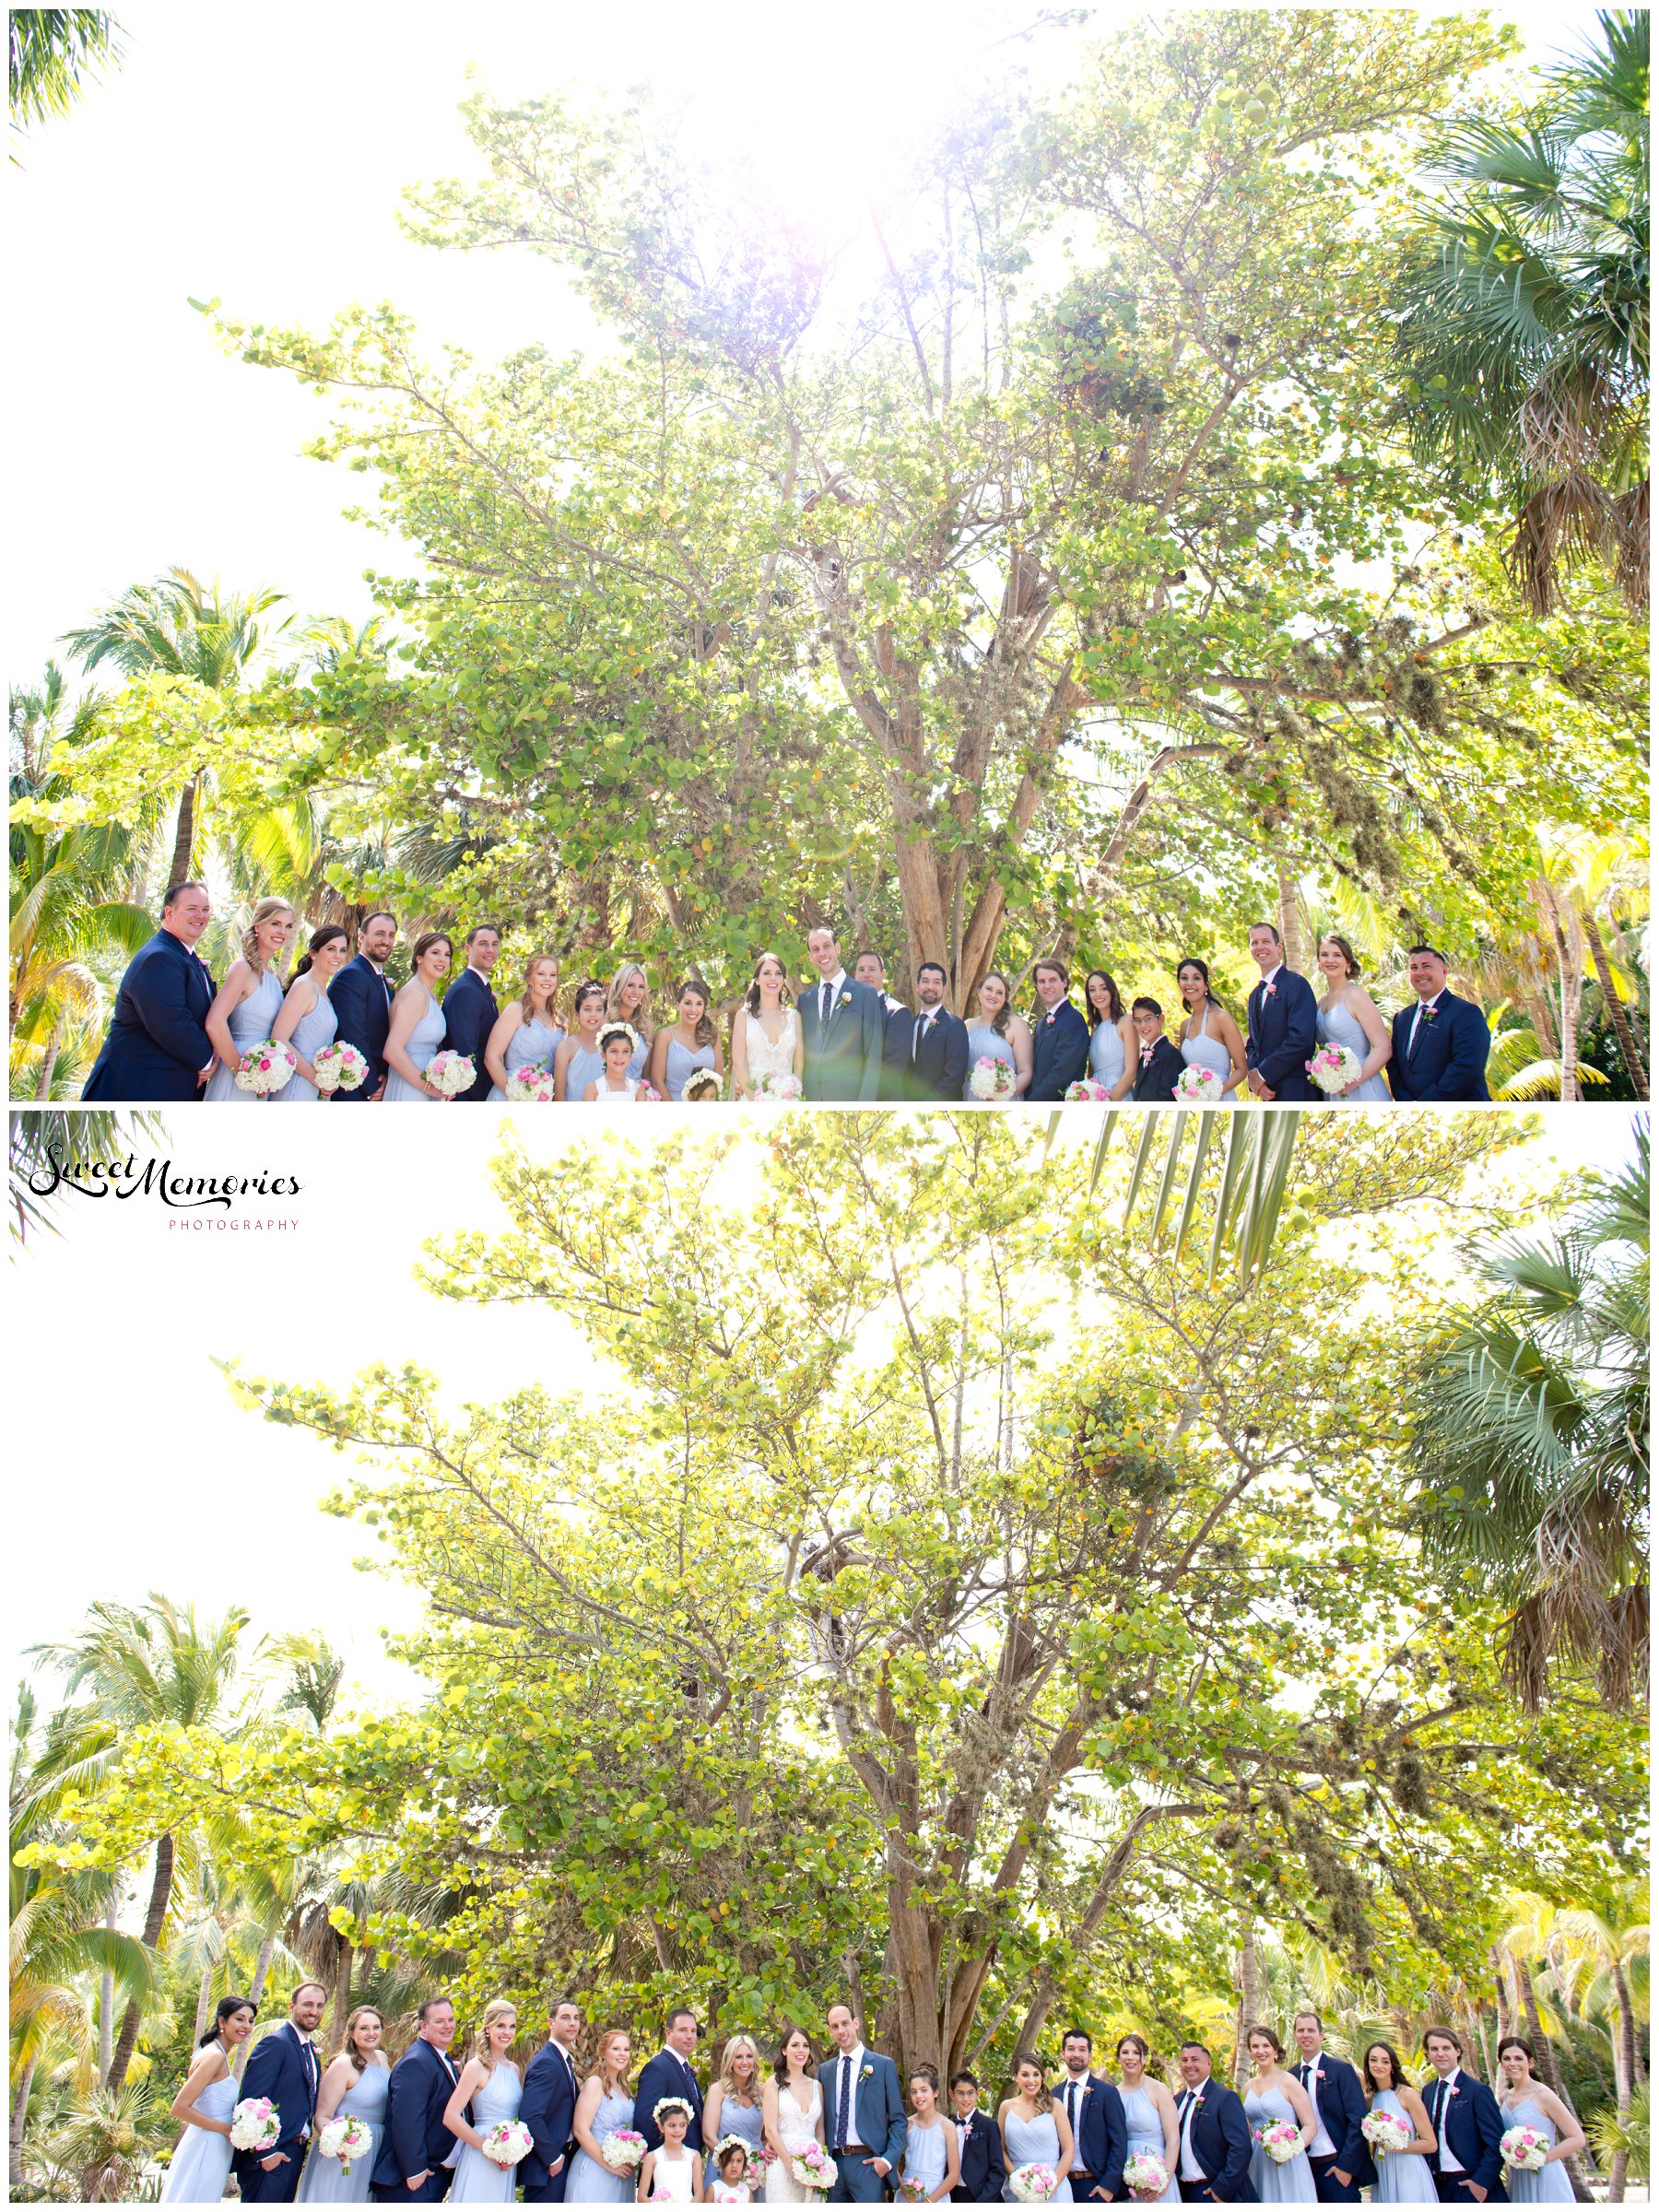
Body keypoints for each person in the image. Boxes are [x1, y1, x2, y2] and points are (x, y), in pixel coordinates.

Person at [82, 879, 217, 1102]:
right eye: (191, 909)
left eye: (205, 909)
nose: (200, 915)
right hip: (136, 1088)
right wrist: (209, 1059)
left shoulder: (184, 956)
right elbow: (172, 1022)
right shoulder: (159, 957)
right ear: (169, 913)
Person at [233, 1981, 326, 2202]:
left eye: (320, 2006)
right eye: (308, 2004)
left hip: (293, 2154)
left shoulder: (311, 2052)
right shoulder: (275, 2043)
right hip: (270, 2158)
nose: (314, 2011)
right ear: (291, 2006)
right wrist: (266, 2154)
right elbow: (251, 2103)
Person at [161, 1993, 258, 2204]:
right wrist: (225, 2129)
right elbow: (179, 2107)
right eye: (239, 2019)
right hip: (206, 2145)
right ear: (222, 2022)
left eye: (250, 2021)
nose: (246, 2026)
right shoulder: (214, 2056)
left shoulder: (214, 2052)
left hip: (212, 2144)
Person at [371, 1994, 465, 2203]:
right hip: (412, 2180)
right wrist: (415, 2169)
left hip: (434, 2174)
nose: (447, 2026)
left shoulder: (439, 2057)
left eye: (451, 2020)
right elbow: (407, 2120)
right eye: (439, 2021)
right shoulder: (416, 2062)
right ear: (423, 2026)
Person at [203, 897, 296, 1101]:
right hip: (238, 1072)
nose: (283, 932)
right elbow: (214, 1023)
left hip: (265, 1075)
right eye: (275, 924)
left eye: (288, 926)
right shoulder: (243, 969)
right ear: (257, 926)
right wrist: (244, 1074)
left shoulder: (273, 976)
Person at [300, 2004, 393, 2204]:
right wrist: (341, 2145)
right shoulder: (343, 2064)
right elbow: (322, 2116)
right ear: (351, 2033)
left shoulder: (383, 2059)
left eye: (376, 2027)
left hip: (378, 2147)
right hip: (347, 2153)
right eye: (364, 2028)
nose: (371, 2033)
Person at [823, 1999, 906, 2204]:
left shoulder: (883, 2065)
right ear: (830, 2031)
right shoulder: (824, 2071)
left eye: (845, 2023)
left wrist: (886, 2162)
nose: (841, 2030)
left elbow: (898, 2120)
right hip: (833, 2166)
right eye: (835, 2027)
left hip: (868, 2165)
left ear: (856, 2023)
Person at [1387, 947, 1490, 1102]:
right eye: (1414, 968)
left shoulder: (1466, 1012)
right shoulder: (1401, 1018)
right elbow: (1394, 1064)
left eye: (1426, 966)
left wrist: (1425, 1104)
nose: (1420, 972)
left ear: (1444, 971)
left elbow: (1466, 1067)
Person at [1289, 2011, 1373, 2202]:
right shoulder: (1291, 2076)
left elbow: (1358, 2119)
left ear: (1321, 2035)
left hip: (1336, 2165)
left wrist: (1346, 2167)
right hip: (1304, 2169)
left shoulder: (1341, 2070)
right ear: (1295, 2035)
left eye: (1311, 2030)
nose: (1306, 2035)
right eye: (1301, 2030)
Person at [1420, 2028, 1507, 2205]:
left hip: (1470, 2185)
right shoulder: (1427, 2091)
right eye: (1434, 2049)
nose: (1440, 2054)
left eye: (1446, 2048)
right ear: (1427, 2054)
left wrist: (1481, 2184)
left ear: (1457, 2051)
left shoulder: (1478, 2091)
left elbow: (1496, 2142)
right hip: (1436, 2187)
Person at [800, 926, 885, 1101]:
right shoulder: (804, 1001)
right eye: (815, 949)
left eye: (827, 946)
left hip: (850, 1097)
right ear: (810, 957)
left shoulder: (865, 994)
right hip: (812, 1098)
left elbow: (873, 1055)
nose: (822, 953)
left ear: (837, 948)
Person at [1494, 2039, 1582, 2204]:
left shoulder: (1544, 2095)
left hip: (1546, 2174)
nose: (1513, 2063)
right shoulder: (1503, 2098)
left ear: (1531, 2062)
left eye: (1518, 2058)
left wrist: (1539, 2158)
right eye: (1507, 2059)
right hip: (1518, 2176)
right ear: (1501, 2064)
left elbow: (1577, 2138)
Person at [274, 925, 349, 1103]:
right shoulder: (304, 986)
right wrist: (317, 1078)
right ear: (314, 953)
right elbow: (279, 1038)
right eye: (331, 949)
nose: (338, 956)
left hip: (318, 1085)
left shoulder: (323, 991)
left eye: (342, 950)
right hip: (300, 1081)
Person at [1311, 937, 1392, 1102]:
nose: (1330, 960)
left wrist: (1351, 1083)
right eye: (1325, 955)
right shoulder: (1320, 1003)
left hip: (1362, 1085)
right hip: (1333, 1089)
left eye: (1337, 955)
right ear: (1319, 961)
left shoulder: (1356, 995)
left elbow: (1383, 1048)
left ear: (1347, 962)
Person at [1243, 924, 1318, 1101]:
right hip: (1267, 1093)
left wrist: (1262, 1075)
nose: (1260, 947)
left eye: (1266, 941)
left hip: (1296, 1089)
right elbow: (1252, 1043)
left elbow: (1301, 1039)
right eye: (1255, 943)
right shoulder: (1254, 995)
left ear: (1278, 947)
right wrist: (1256, 1081)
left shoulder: (1297, 984)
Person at [328, 912, 398, 1102]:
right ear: (362, 937)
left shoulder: (380, 979)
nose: (386, 940)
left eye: (391, 935)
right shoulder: (352, 975)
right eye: (379, 934)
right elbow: (352, 1035)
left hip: (377, 1083)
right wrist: (372, 1086)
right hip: (354, 1089)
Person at [1243, 2025, 1317, 2202]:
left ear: (1275, 2049)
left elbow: (1310, 2126)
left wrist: (1289, 2150)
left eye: (1266, 2046)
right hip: (1258, 2159)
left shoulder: (1288, 2081)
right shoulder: (1247, 2087)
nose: (1261, 2051)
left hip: (1287, 2159)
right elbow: (1247, 2130)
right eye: (1255, 2047)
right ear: (1250, 2051)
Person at [521, 1995, 584, 2204]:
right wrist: (553, 2158)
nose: (573, 2023)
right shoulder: (546, 2062)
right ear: (551, 2023)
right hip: (546, 2166)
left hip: (560, 2162)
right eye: (565, 2017)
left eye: (576, 2018)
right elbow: (531, 2115)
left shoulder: (563, 2060)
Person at [1359, 2041, 1438, 2206]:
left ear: (1392, 2067)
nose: (1378, 2065)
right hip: (1383, 2168)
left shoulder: (1407, 2094)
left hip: (1408, 2168)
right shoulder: (1370, 2100)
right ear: (1367, 2065)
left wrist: (1394, 2145)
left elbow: (1430, 2144)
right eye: (1373, 2060)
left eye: (1385, 2061)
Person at [1171, 2041, 1251, 2204]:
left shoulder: (1225, 2098)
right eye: (1184, 2060)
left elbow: (1241, 2147)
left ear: (1208, 2063)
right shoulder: (1176, 2101)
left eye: (1195, 2059)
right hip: (1181, 2192)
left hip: (1212, 2191)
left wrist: (1222, 2189)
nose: (1189, 2065)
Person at [565, 2027, 636, 2203]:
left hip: (621, 2173)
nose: (622, 2054)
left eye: (626, 2049)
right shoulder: (595, 2083)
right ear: (603, 2052)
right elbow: (580, 2130)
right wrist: (610, 2165)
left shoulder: (624, 2088)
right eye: (616, 2049)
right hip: (596, 2169)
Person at [1055, 2029, 1127, 2203]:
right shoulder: (1053, 2095)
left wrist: (1108, 2186)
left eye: (1082, 2050)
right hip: (1061, 2186)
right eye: (1071, 2049)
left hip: (1095, 2185)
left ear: (1090, 2055)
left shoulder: (1107, 2093)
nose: (1076, 2054)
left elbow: (1119, 2141)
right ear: (1063, 2053)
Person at [382, 933, 456, 1100]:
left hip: (425, 1080)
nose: (442, 959)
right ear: (419, 958)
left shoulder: (429, 994)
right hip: (410, 1085)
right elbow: (392, 1050)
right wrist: (429, 1088)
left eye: (447, 955)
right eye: (435, 953)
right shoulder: (415, 994)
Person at [998, 2051, 1073, 2204]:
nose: (1031, 2080)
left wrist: (1051, 2186)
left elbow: (1069, 2150)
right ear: (1015, 2077)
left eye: (1036, 2074)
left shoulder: (1055, 2105)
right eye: (1025, 2075)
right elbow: (1000, 2149)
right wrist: (1019, 2181)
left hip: (1054, 2187)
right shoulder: (1006, 2107)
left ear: (1042, 2077)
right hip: (1018, 2188)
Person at [762, 2022, 824, 2206]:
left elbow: (820, 2132)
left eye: (805, 2046)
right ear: (784, 2051)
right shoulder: (773, 2084)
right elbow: (770, 2131)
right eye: (795, 2045)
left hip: (813, 2166)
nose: (801, 2050)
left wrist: (819, 2167)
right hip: (782, 2165)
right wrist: (793, 2168)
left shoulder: (817, 2086)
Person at [486, 956, 564, 1100]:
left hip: (544, 1100)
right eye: (541, 974)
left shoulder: (561, 1020)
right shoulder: (515, 1010)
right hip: (510, 1097)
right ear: (529, 979)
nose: (548, 979)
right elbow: (492, 1058)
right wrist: (516, 1096)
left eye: (553, 975)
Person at [438, 924, 501, 1100]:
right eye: (483, 944)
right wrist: (483, 1097)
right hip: (469, 1095)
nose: (490, 950)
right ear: (467, 949)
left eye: (494, 944)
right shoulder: (465, 991)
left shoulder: (480, 987)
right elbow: (466, 1052)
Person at [1112, 2036, 1178, 2205]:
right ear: (1119, 2057)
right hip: (1126, 2177)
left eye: (1136, 2053)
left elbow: (1173, 2140)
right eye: (1125, 2052)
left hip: (1158, 2169)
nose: (1130, 2057)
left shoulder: (1159, 2090)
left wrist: (1164, 2181)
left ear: (1145, 2058)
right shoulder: (1113, 2094)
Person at [894, 964, 971, 1102]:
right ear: (917, 985)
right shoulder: (909, 1025)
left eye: (936, 982)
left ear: (944, 988)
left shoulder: (955, 1025)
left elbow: (955, 1076)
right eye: (925, 981)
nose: (930, 987)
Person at [733, 951, 804, 1098]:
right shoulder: (743, 1016)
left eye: (778, 973)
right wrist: (755, 1100)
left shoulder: (795, 1017)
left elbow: (799, 1064)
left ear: (783, 979)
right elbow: (738, 1063)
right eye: (767, 973)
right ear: (757, 979)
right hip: (752, 1099)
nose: (773, 978)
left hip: (787, 1100)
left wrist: (793, 1095)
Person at [702, 2035, 765, 2193]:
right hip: (724, 2170)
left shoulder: (762, 2093)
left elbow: (766, 2136)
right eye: (739, 2057)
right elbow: (709, 2136)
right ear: (730, 2060)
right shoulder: (718, 2090)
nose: (745, 2062)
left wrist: (754, 2167)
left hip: (756, 2172)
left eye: (749, 2056)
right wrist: (734, 2165)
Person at [1174, 962, 1246, 1098]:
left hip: (1221, 1097)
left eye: (1196, 978)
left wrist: (1214, 1094)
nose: (1190, 983)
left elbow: (1242, 1069)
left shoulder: (1222, 1018)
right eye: (1184, 978)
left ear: (1206, 984)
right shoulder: (1184, 1026)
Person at [638, 2010, 706, 2154]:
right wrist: (666, 2158)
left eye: (693, 2031)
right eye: (683, 2030)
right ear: (668, 2033)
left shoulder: (686, 2069)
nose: (689, 2036)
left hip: (689, 2162)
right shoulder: (657, 2068)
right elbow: (645, 2122)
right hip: (668, 2165)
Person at [650, 978, 725, 1101]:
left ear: (704, 1007)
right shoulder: (665, 1036)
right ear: (677, 1004)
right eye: (688, 1003)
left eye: (699, 1004)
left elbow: (718, 1078)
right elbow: (657, 1081)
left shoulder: (713, 1036)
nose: (693, 1009)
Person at [853, 949, 912, 1100]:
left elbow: (893, 1067)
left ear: (883, 974)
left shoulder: (897, 1012)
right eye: (861, 970)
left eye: (872, 969)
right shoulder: (847, 1010)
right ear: (855, 976)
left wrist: (864, 1097)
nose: (866, 974)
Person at [962, 971, 1032, 1100]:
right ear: (979, 991)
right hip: (971, 1098)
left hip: (1003, 1100)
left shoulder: (1016, 1025)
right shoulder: (967, 1025)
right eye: (989, 989)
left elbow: (1026, 1072)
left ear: (1005, 998)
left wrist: (999, 1095)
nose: (993, 995)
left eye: (999, 992)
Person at [1028, 961, 1091, 1100]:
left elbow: (1063, 1073)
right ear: (1037, 987)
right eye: (1042, 981)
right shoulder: (1041, 1024)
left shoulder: (1074, 1020)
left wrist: (1031, 1101)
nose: (1047, 986)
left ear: (1064, 982)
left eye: (1053, 980)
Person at [901, 2066, 962, 2204]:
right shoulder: (907, 2124)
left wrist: (928, 2202)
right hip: (908, 2194)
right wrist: (902, 2188)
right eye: (914, 2092)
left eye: (924, 2090)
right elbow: (892, 2163)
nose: (919, 2096)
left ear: (935, 2092)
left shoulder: (947, 2126)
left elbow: (954, 2174)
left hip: (936, 2195)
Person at [950, 2072, 1008, 2203]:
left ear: (978, 2093)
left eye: (970, 2093)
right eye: (960, 2093)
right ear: (951, 2094)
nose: (966, 2099)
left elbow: (998, 2170)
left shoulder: (988, 2126)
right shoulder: (948, 2126)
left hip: (981, 2196)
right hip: (953, 2196)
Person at [1084, 972, 1136, 1100]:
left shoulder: (1126, 1022)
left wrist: (1110, 1101)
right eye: (1092, 990)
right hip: (1096, 1097)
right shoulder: (1095, 1030)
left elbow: (1131, 1072)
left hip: (1119, 1095)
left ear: (1112, 991)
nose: (1098, 994)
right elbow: (1091, 1073)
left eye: (1103, 988)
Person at [641, 2098, 703, 2204]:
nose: (677, 2130)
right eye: (672, 2125)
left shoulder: (694, 2156)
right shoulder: (652, 2157)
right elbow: (642, 2196)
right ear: (661, 2127)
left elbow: (699, 2194)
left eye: (682, 2125)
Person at [556, 981, 609, 1103]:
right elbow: (559, 1096)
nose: (593, 1014)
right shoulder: (566, 1047)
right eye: (587, 1009)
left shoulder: (608, 1047)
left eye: (599, 1009)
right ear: (577, 1014)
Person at [1129, 999, 1187, 1102]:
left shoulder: (1171, 1054)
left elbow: (1168, 1097)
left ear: (1161, 1019)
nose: (1143, 1025)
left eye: (1148, 1019)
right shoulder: (1143, 1057)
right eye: (1138, 1021)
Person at [605, 964, 655, 1079]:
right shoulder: (605, 1022)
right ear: (619, 986)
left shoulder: (647, 1027)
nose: (636, 992)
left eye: (641, 987)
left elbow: (646, 1075)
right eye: (630, 985)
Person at [583, 1019, 650, 1102]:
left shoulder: (638, 1089)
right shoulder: (593, 1088)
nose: (620, 1057)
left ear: (631, 1055)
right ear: (603, 1055)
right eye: (614, 1051)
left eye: (625, 1051)